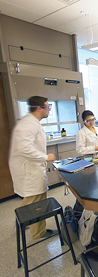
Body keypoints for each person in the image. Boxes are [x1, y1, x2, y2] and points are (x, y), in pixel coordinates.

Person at [9, 96, 55, 239]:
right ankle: (38, 233)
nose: (49, 110)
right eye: (48, 107)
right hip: (30, 170)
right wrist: (45, 157)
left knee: (31, 199)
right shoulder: (30, 124)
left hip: (28, 168)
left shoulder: (31, 122)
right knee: (37, 201)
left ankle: (21, 221)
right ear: (39, 108)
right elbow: (25, 148)